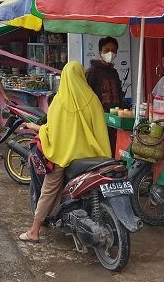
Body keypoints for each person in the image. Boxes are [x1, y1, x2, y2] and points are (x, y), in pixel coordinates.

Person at [18, 61, 111, 243]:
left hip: (64, 156)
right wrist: (104, 154)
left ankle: (34, 231)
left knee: (48, 190)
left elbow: (50, 130)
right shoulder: (92, 99)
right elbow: (101, 130)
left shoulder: (59, 102)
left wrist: (40, 130)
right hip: (90, 157)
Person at [85, 37, 125, 155]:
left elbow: (118, 93)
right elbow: (86, 97)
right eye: (106, 50)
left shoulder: (114, 72)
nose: (110, 53)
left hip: (114, 119)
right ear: (100, 51)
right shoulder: (91, 72)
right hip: (98, 120)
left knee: (114, 148)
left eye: (113, 50)